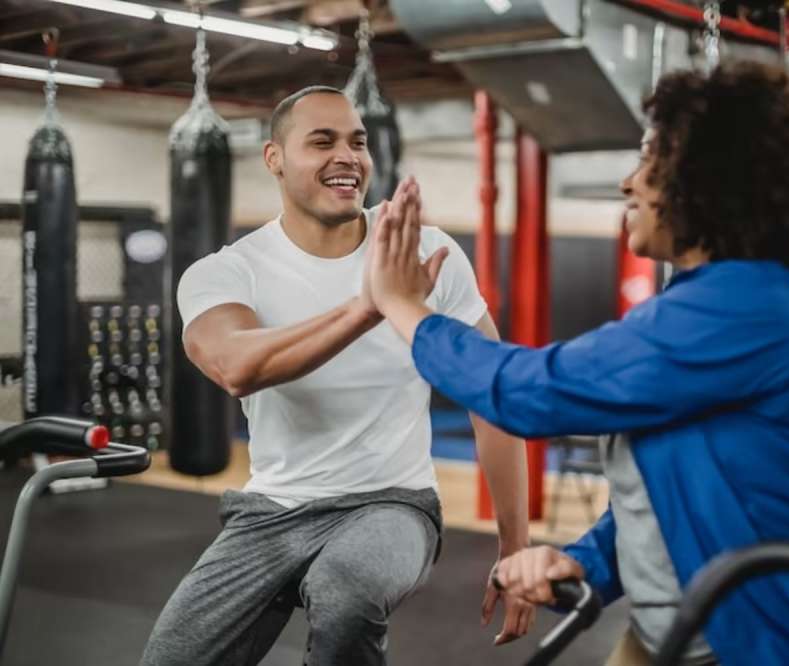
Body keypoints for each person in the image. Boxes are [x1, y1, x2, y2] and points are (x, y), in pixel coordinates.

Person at [365, 63, 789, 666]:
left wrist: (406, 308)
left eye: (651, 162)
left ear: (709, 181)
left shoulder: (748, 305)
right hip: (705, 628)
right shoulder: (733, 303)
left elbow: (528, 392)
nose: (629, 184)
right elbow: (668, 484)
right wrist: (587, 563)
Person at [141, 86, 534, 666]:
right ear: (274, 158)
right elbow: (236, 365)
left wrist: (516, 546)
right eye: (322, 141)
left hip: (392, 505)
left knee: (346, 592)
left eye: (358, 141)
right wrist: (372, 306)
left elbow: (492, 397)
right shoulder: (228, 271)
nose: (347, 155)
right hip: (270, 510)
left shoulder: (423, 251)